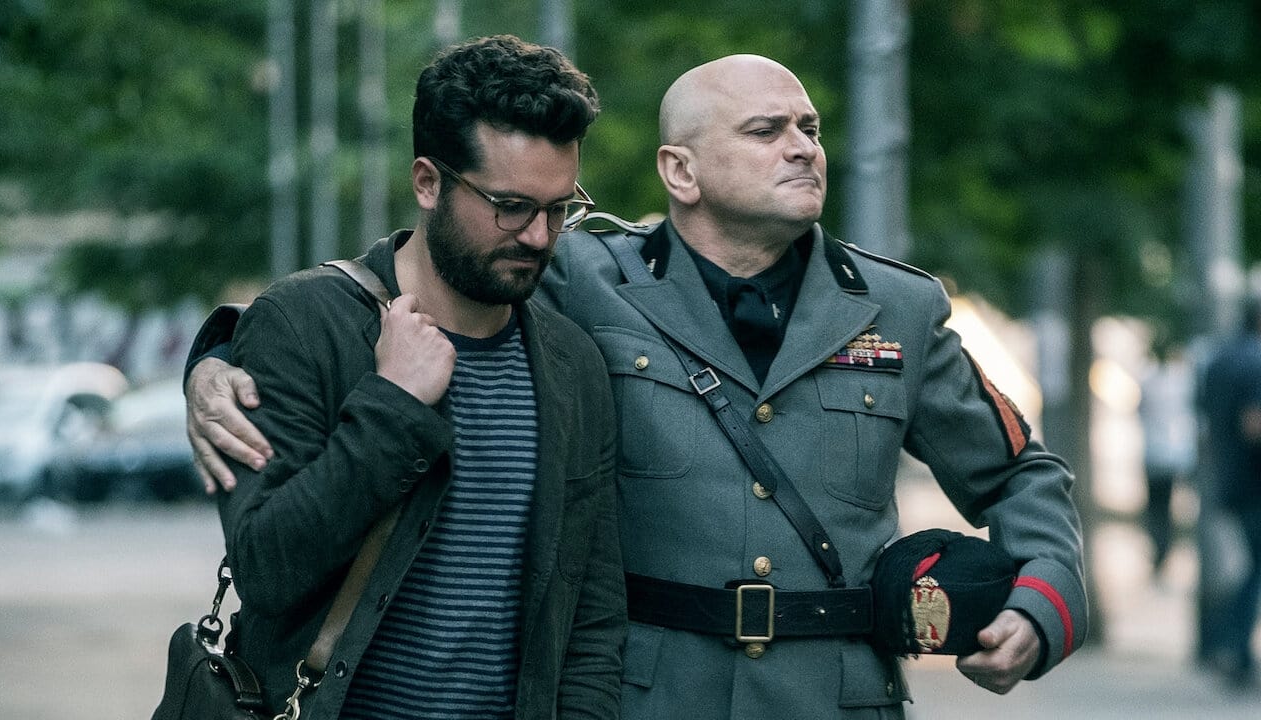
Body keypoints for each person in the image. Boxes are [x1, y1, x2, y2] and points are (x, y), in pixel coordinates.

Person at [187, 53, 1087, 718]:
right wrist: (220, 359)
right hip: (651, 693)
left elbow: (1019, 472)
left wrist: (1045, 602)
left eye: (810, 129)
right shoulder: (587, 276)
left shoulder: (899, 308)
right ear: (678, 170)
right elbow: (421, 268)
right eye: (766, 131)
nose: (803, 149)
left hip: (835, 693)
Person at [189, 35, 626, 719]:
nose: (539, 236)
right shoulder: (304, 325)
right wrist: (393, 405)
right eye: (511, 206)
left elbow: (590, 618)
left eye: (558, 209)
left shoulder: (572, 364)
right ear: (428, 182)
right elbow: (268, 570)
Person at [1198, 299, 1261, 688]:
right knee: (1255, 568)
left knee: (1253, 565)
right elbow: (1254, 423)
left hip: (1229, 477)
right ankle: (1232, 648)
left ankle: (1225, 645)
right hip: (1255, 481)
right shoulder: (1256, 361)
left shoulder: (1218, 360)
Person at [1137, 338, 1197, 577]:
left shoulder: (1147, 380)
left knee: (1155, 507)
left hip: (1153, 453)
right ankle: (1165, 549)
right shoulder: (1180, 380)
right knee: (1167, 506)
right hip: (1174, 453)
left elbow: (1140, 411)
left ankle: (1158, 549)